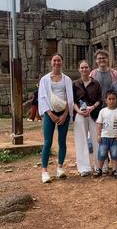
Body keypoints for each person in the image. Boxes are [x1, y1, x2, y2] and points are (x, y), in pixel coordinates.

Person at [38, 53, 74, 183]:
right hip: (50, 113)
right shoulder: (45, 80)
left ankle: (60, 168)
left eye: (59, 60)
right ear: (51, 62)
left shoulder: (67, 79)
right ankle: (44, 171)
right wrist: (50, 114)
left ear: (62, 62)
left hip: (64, 112)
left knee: (62, 141)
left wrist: (65, 114)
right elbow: (42, 97)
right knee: (47, 141)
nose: (57, 63)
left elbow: (70, 98)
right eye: (54, 60)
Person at [73, 60, 102, 177]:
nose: (84, 69)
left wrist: (92, 107)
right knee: (81, 140)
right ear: (79, 69)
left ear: (90, 69)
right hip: (80, 114)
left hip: (94, 113)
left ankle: (100, 166)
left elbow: (100, 99)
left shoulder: (96, 83)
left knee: (97, 139)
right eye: (82, 68)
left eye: (86, 67)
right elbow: (73, 101)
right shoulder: (75, 84)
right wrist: (79, 111)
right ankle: (84, 168)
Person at [95, 90, 117, 179]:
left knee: (115, 155)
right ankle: (99, 170)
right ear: (106, 100)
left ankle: (115, 170)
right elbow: (99, 124)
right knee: (102, 154)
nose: (111, 101)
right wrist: (98, 135)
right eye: (109, 99)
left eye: (113, 99)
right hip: (104, 137)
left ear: (116, 100)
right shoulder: (102, 111)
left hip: (115, 138)